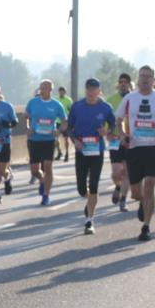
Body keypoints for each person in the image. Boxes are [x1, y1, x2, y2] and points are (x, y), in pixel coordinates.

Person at [114, 65, 155, 241]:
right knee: (136, 192)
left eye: (148, 76)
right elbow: (118, 119)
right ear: (138, 78)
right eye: (142, 76)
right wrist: (122, 134)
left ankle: (146, 227)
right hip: (134, 147)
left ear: (153, 80)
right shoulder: (130, 98)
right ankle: (143, 202)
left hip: (153, 146)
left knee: (150, 183)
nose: (144, 79)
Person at [66, 78, 115, 234]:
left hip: (97, 151)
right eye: (88, 89)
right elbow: (69, 128)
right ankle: (89, 200)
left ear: (99, 91)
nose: (91, 92)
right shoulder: (77, 107)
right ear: (85, 90)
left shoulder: (106, 108)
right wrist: (74, 141)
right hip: (81, 151)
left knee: (93, 185)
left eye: (94, 89)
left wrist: (106, 132)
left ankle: (89, 220)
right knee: (82, 188)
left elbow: (114, 125)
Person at [24, 79, 66, 206]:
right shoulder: (33, 102)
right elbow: (26, 116)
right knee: (34, 170)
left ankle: (46, 195)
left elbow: (65, 121)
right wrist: (28, 127)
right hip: (34, 139)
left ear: (51, 90)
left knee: (48, 167)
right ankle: (42, 180)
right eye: (41, 87)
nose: (43, 90)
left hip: (48, 140)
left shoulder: (57, 105)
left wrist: (58, 131)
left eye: (46, 88)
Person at [106, 73, 132, 211]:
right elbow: (106, 119)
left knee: (127, 171)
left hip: (130, 140)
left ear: (129, 84)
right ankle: (117, 186)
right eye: (121, 81)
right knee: (116, 173)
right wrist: (108, 133)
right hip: (115, 139)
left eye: (126, 81)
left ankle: (123, 199)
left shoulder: (135, 98)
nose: (123, 84)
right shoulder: (111, 100)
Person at [56, 86, 74, 162]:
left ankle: (67, 153)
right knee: (55, 138)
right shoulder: (56, 99)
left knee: (66, 139)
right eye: (60, 91)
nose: (61, 93)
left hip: (65, 122)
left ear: (65, 92)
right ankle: (59, 152)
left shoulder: (68, 100)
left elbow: (72, 111)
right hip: (57, 121)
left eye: (63, 91)